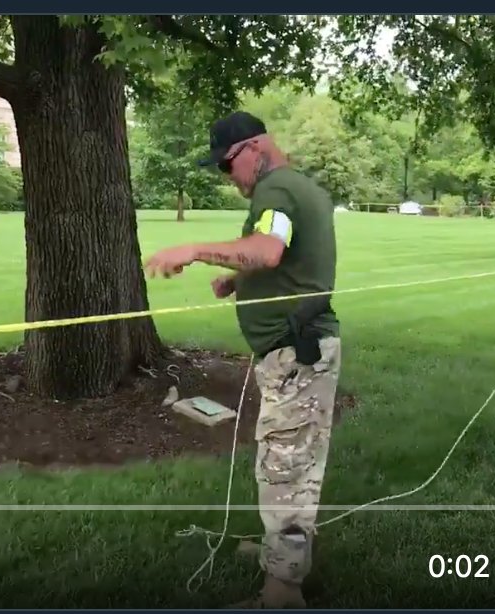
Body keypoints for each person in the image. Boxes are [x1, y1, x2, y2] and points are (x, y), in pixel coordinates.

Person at [144, 111, 341, 608]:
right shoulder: (299, 188)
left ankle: (281, 593)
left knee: (285, 472)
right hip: (301, 350)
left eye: (227, 166)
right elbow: (290, 259)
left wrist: (193, 249)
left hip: (296, 352)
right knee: (290, 463)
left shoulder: (276, 191)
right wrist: (238, 281)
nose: (227, 178)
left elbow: (268, 251)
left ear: (254, 147)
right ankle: (284, 556)